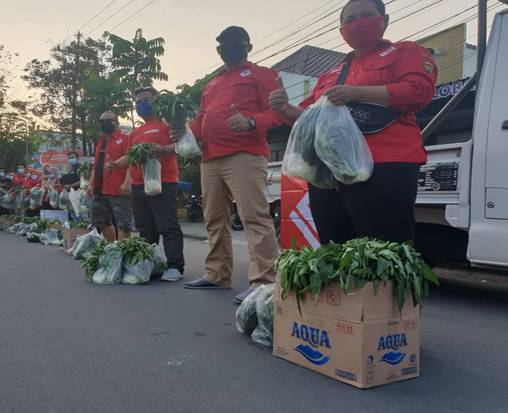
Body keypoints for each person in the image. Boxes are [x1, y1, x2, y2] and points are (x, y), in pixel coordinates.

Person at [269, 0, 437, 245]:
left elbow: (418, 90)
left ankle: (384, 286)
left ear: (385, 20)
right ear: (341, 31)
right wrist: (284, 108)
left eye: (366, 15)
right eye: (349, 19)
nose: (357, 23)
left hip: (385, 165)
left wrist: (357, 93)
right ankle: (343, 287)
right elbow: (308, 120)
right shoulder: (331, 73)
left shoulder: (405, 51)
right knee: (335, 250)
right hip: (330, 172)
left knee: (384, 249)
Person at [175, 26, 282, 304]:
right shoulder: (211, 84)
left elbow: (278, 112)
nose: (229, 47)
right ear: (217, 50)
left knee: (254, 216)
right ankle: (217, 274)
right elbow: (202, 120)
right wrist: (185, 132)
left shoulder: (262, 74)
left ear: (249, 46)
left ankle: (265, 282)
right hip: (209, 158)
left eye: (236, 42)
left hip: (244, 154)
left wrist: (251, 122)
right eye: (223, 43)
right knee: (214, 218)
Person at [115, 87, 185, 282]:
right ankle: (149, 263)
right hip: (139, 184)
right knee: (145, 228)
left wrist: (162, 150)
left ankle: (175, 266)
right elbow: (130, 157)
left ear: (157, 101)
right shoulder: (135, 132)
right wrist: (114, 165)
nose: (141, 104)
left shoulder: (168, 124)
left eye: (146, 100)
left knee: (167, 226)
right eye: (138, 102)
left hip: (163, 181)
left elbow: (184, 147)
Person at [86, 111, 133, 242]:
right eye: (102, 121)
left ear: (116, 122)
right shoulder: (100, 142)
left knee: (123, 224)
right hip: (99, 190)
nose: (105, 124)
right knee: (101, 222)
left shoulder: (125, 139)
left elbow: (132, 161)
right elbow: (96, 166)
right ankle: (112, 249)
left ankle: (123, 252)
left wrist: (128, 182)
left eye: (109, 120)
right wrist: (90, 183)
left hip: (118, 189)